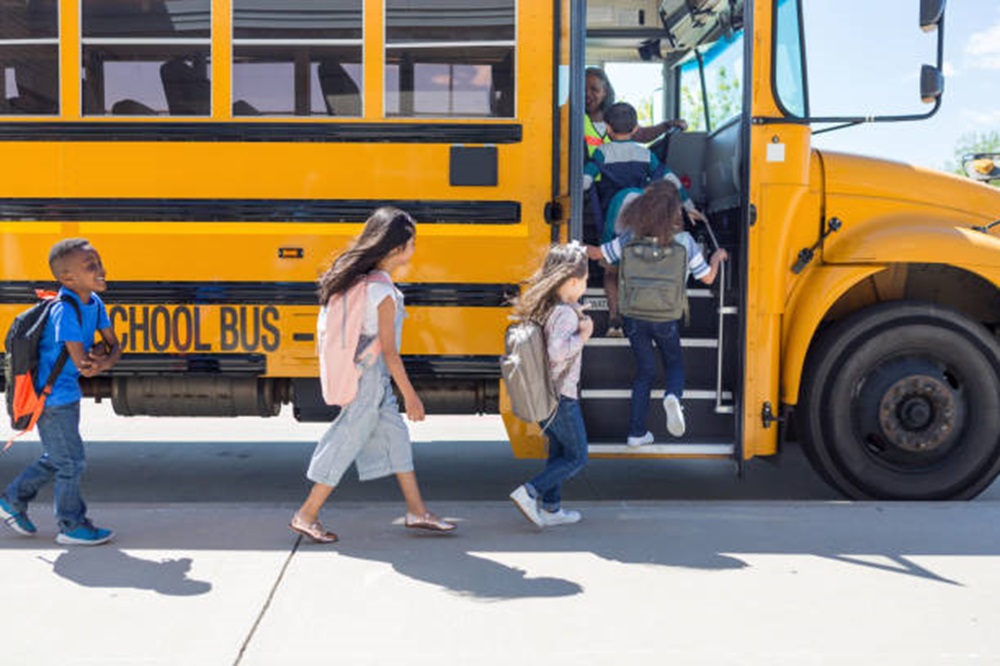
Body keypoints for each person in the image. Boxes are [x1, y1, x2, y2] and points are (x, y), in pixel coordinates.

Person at [290, 207, 455, 543]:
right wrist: (411, 394)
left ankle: (417, 511)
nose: (414, 249)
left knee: (396, 438)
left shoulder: (366, 283)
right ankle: (307, 514)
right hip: (369, 380)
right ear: (396, 249)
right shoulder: (382, 293)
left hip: (371, 376)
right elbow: (390, 352)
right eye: (412, 243)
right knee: (346, 440)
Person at [586, 180, 727, 446]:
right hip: (666, 317)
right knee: (674, 363)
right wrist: (716, 258)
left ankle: (635, 432)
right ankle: (673, 395)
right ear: (675, 212)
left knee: (645, 371)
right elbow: (707, 278)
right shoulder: (685, 241)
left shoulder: (630, 235)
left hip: (633, 317)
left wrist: (573, 247)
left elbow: (598, 254)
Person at [0, 239, 122, 545]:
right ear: (68, 279)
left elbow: (115, 345)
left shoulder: (94, 303)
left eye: (99, 262)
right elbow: (82, 360)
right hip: (51, 398)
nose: (101, 270)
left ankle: (12, 500)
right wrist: (96, 363)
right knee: (71, 461)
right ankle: (71, 524)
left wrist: (103, 360)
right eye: (91, 266)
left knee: (58, 457)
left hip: (67, 394)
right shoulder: (64, 311)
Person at [584, 101, 708, 337]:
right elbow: (669, 178)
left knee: (611, 270)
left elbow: (586, 179)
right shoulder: (645, 153)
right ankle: (644, 316)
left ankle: (614, 320)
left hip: (616, 213)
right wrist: (688, 206)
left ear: (607, 128)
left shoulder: (602, 152)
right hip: (641, 213)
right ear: (635, 130)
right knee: (639, 263)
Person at [509, 242, 593, 528]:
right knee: (578, 457)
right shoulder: (565, 314)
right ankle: (529, 491)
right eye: (585, 280)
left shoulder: (550, 307)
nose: (585, 285)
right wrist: (583, 335)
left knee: (558, 453)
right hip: (562, 398)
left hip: (546, 395)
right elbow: (557, 352)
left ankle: (552, 509)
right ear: (571, 281)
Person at [584, 67, 686, 158]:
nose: (587, 94)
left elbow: (642, 134)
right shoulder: (573, 119)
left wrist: (666, 125)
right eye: (583, 89)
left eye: (594, 89)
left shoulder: (615, 116)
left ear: (605, 92)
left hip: (615, 178)